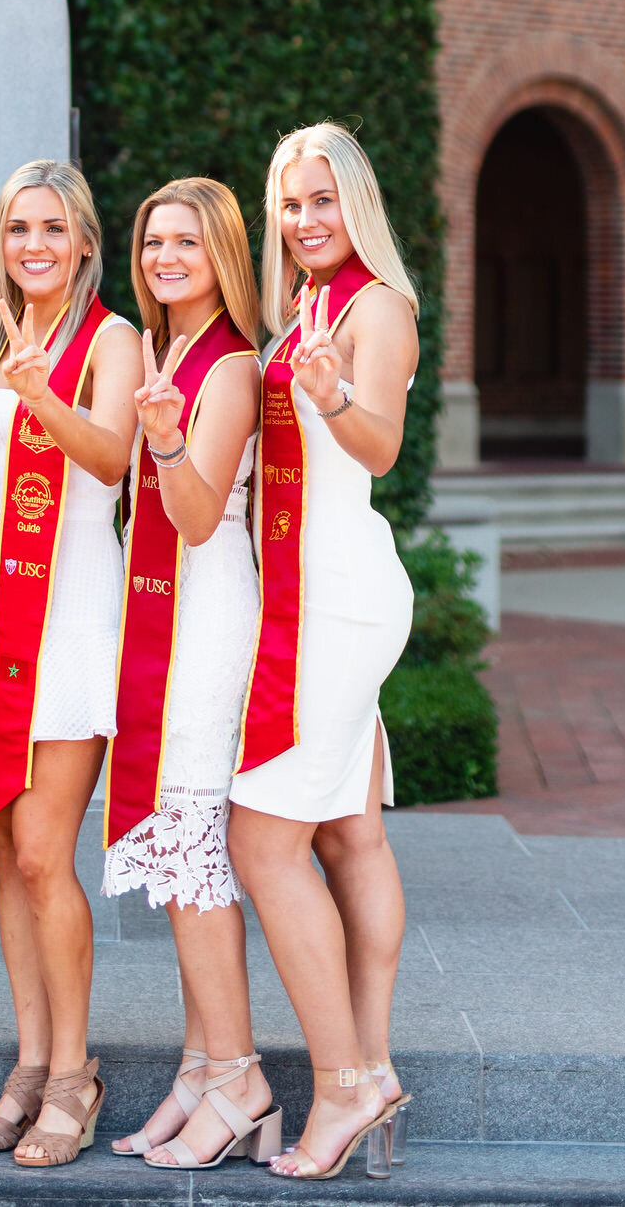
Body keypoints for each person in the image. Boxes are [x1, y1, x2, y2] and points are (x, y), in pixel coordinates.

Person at [227, 123, 420, 1182]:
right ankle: (376, 1061)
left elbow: (381, 444)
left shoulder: (374, 306)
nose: (304, 219)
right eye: (288, 203)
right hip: (306, 590)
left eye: (320, 200)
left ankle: (340, 1085)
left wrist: (335, 391)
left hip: (335, 601)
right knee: (347, 834)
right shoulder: (304, 303)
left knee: (263, 843)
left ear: (356, 202)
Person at [0, 162, 139, 1168]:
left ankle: (74, 1072)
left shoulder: (110, 338)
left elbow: (111, 461)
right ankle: (28, 1063)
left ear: (82, 240)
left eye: (52, 227)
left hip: (66, 618)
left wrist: (40, 395)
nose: (33, 244)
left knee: (41, 852)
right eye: (18, 227)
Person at [102, 177, 279, 1171]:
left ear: (221, 254)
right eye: (153, 239)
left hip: (207, 620)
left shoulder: (231, 365)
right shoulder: (169, 347)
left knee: (192, 850)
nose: (166, 256)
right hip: (164, 617)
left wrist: (164, 439)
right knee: (177, 858)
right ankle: (199, 1063)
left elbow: (199, 513)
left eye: (186, 241)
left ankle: (240, 1076)